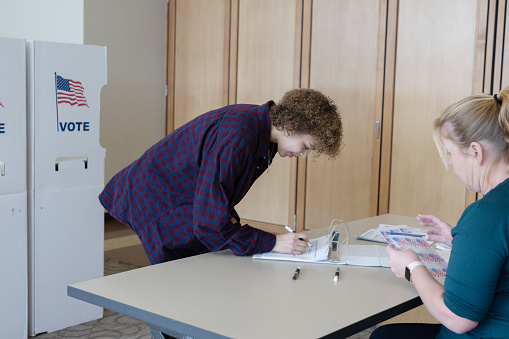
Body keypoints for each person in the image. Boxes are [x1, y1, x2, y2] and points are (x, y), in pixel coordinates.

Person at [99, 88, 343, 264]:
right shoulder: (237, 140)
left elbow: (217, 194)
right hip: (154, 197)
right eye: (307, 146)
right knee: (178, 283)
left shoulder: (261, 134)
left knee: (212, 263)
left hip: (176, 194)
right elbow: (208, 225)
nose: (304, 155)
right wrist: (273, 242)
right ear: (293, 126)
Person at [370, 89, 509, 339]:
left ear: (476, 152)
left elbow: (458, 318)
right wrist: (460, 239)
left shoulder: (486, 214)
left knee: (383, 336)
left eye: (450, 153)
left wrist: (412, 267)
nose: (451, 163)